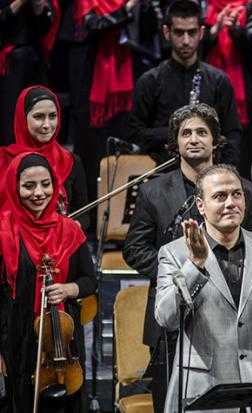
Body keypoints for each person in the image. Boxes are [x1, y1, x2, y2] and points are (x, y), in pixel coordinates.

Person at [123, 103, 252, 412]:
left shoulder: (244, 191)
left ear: (216, 141)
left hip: (231, 320)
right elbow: (134, 248)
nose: (194, 139)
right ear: (175, 143)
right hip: (172, 324)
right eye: (186, 133)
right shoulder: (153, 192)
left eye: (202, 132)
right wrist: (180, 274)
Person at [154, 164, 252, 412]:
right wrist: (195, 266)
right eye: (220, 196)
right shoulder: (175, 253)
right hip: (203, 390)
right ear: (201, 206)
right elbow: (167, 318)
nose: (231, 203)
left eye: (236, 194)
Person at [0, 152, 97, 412]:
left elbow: (90, 281)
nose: (39, 193)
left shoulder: (70, 229)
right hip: (18, 337)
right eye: (28, 186)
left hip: (62, 339)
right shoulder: (4, 231)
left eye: (45, 184)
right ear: (14, 187)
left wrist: (69, 289)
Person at [127, 0, 242, 167]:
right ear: (167, 32)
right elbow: (134, 134)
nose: (186, 41)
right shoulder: (149, 81)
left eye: (192, 32)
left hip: (209, 174)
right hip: (162, 172)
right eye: (179, 33)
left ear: (201, 33)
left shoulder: (219, 81)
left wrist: (223, 172)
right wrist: (178, 131)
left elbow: (233, 134)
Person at [0, 85, 89, 231]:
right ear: (23, 118)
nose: (47, 125)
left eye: (52, 116)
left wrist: (72, 228)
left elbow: (84, 215)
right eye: (38, 117)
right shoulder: (3, 160)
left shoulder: (71, 161)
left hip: (59, 242)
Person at [203, 0, 252, 177]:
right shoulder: (203, 5)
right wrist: (215, 30)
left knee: (241, 147)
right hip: (205, 85)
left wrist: (235, 30)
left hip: (241, 88)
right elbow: (192, 46)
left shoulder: (250, 5)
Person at [0, 0, 54, 146]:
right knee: (11, 108)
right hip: (12, 57)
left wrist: (38, 8)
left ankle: (36, 147)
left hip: (35, 56)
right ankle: (11, 149)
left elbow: (45, 28)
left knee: (37, 104)